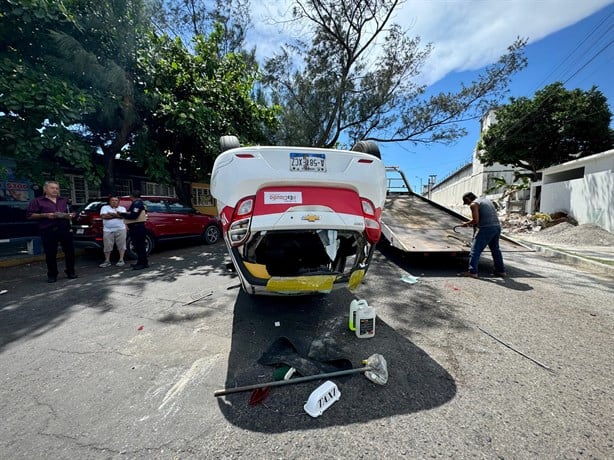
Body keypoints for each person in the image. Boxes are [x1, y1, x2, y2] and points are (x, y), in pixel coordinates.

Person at [26, 180, 77, 283]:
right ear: (45, 189)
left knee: (70, 252)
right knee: (50, 253)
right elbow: (29, 215)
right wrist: (45, 215)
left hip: (64, 228)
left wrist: (71, 215)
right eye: (52, 188)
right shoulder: (37, 201)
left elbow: (72, 211)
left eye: (57, 188)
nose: (55, 190)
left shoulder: (64, 200)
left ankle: (70, 271)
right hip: (48, 230)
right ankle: (52, 274)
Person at [460, 192, 506, 278]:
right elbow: (483, 217)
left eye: (466, 202)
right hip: (496, 227)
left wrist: (466, 224)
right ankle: (501, 271)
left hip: (487, 228)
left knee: (475, 250)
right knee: (495, 250)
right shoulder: (486, 200)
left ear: (468, 199)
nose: (467, 204)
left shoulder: (474, 204)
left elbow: (475, 220)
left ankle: (472, 272)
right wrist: (474, 226)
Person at [122, 190, 149, 270]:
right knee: (138, 246)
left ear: (131, 196)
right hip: (137, 227)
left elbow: (134, 215)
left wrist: (122, 214)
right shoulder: (141, 203)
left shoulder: (137, 203)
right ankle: (141, 262)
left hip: (137, 227)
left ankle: (142, 263)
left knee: (139, 246)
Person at [99, 196, 127, 267]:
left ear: (118, 202)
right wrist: (116, 215)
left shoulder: (122, 208)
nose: (114, 202)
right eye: (112, 200)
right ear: (109, 201)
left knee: (121, 245)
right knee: (107, 245)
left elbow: (123, 216)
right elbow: (103, 216)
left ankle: (121, 259)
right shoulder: (104, 207)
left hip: (121, 229)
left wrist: (111, 214)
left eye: (116, 200)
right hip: (108, 230)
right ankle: (107, 261)